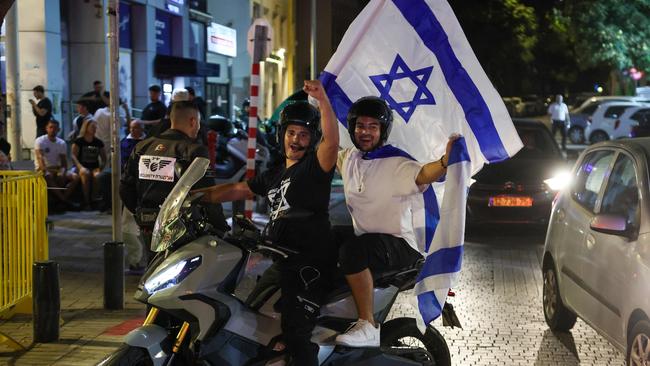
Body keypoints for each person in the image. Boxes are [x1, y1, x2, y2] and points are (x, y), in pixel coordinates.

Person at [195, 80, 338, 366]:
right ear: (282, 135)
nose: (296, 140)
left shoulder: (315, 168)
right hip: (282, 261)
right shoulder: (275, 174)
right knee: (250, 317)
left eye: (304, 135)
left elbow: (332, 142)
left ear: (312, 140)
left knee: (297, 333)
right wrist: (196, 196)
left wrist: (323, 100)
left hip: (308, 263)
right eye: (291, 133)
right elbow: (239, 189)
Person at [334, 96, 457, 347]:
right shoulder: (349, 159)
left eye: (372, 127)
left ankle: (367, 324)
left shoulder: (397, 163)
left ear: (383, 131)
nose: (365, 132)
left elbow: (423, 174)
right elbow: (326, 149)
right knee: (328, 236)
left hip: (401, 247)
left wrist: (445, 161)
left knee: (352, 251)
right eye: (360, 126)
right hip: (370, 243)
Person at [119, 100, 229, 253]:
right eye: (198, 122)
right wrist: (221, 227)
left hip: (149, 226)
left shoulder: (142, 147)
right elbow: (207, 193)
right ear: (193, 121)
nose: (198, 127)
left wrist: (142, 215)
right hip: (182, 229)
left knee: (154, 269)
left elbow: (125, 187)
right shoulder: (194, 151)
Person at [35, 119, 80, 207]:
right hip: (43, 169)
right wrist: (51, 170)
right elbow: (40, 160)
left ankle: (61, 200)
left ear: (58, 129)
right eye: (50, 127)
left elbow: (64, 163)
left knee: (75, 177)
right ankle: (64, 200)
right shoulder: (40, 141)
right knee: (48, 176)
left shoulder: (61, 143)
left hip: (57, 168)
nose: (52, 130)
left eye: (55, 128)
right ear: (46, 128)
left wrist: (62, 172)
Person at [71, 119, 107, 210]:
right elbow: (73, 156)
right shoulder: (79, 141)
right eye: (92, 127)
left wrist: (100, 168)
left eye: (95, 127)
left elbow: (104, 158)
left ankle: (94, 200)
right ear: (86, 127)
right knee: (85, 173)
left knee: (97, 175)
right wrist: (80, 167)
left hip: (94, 167)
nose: (95, 129)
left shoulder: (98, 142)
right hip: (81, 167)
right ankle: (86, 202)